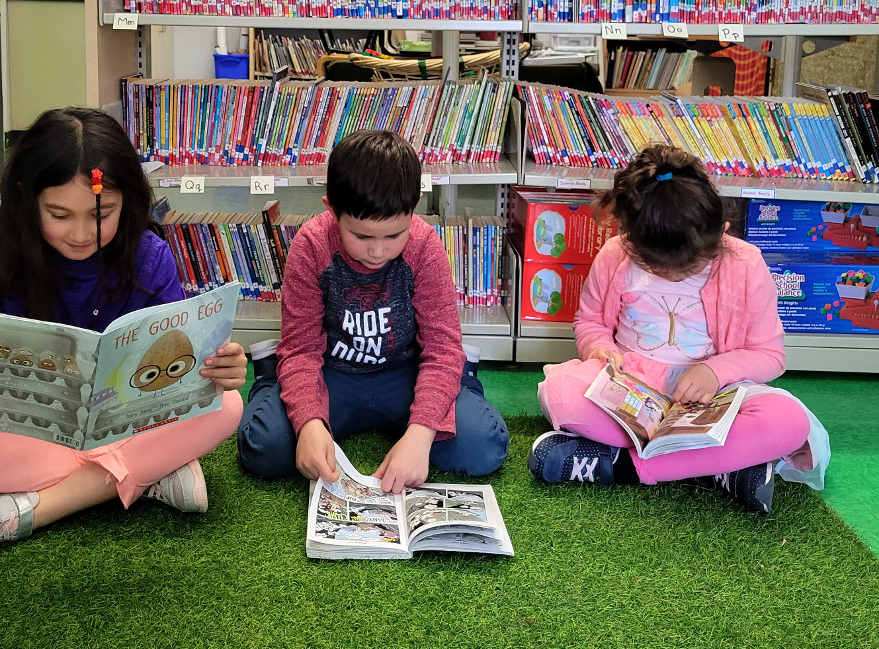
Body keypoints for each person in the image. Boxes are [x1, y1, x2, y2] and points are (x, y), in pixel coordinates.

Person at [0, 107, 248, 567]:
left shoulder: (149, 257)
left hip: (132, 422)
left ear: (126, 200)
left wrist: (217, 368)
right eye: (60, 214)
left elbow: (178, 368)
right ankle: (150, 473)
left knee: (227, 405)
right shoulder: (0, 264)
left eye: (101, 212)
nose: (83, 233)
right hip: (39, 433)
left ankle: (21, 512)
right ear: (28, 199)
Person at [528, 144, 828, 514]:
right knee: (560, 394)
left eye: (688, 264)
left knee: (788, 423)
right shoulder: (613, 255)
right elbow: (590, 323)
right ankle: (718, 470)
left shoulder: (746, 265)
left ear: (721, 232)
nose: (671, 275)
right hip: (635, 388)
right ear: (631, 239)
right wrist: (599, 349)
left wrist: (714, 371)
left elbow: (770, 355)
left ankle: (630, 467)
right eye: (655, 265)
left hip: (715, 392)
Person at [237, 129, 509, 492]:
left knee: (484, 447)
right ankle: (271, 376)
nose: (378, 252)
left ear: (412, 212)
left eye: (393, 235)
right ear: (331, 209)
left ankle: (463, 383)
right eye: (362, 237)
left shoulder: (425, 246)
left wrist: (421, 434)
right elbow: (302, 349)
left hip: (404, 373)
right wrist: (308, 423)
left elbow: (443, 350)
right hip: (333, 375)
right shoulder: (311, 245)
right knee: (264, 448)